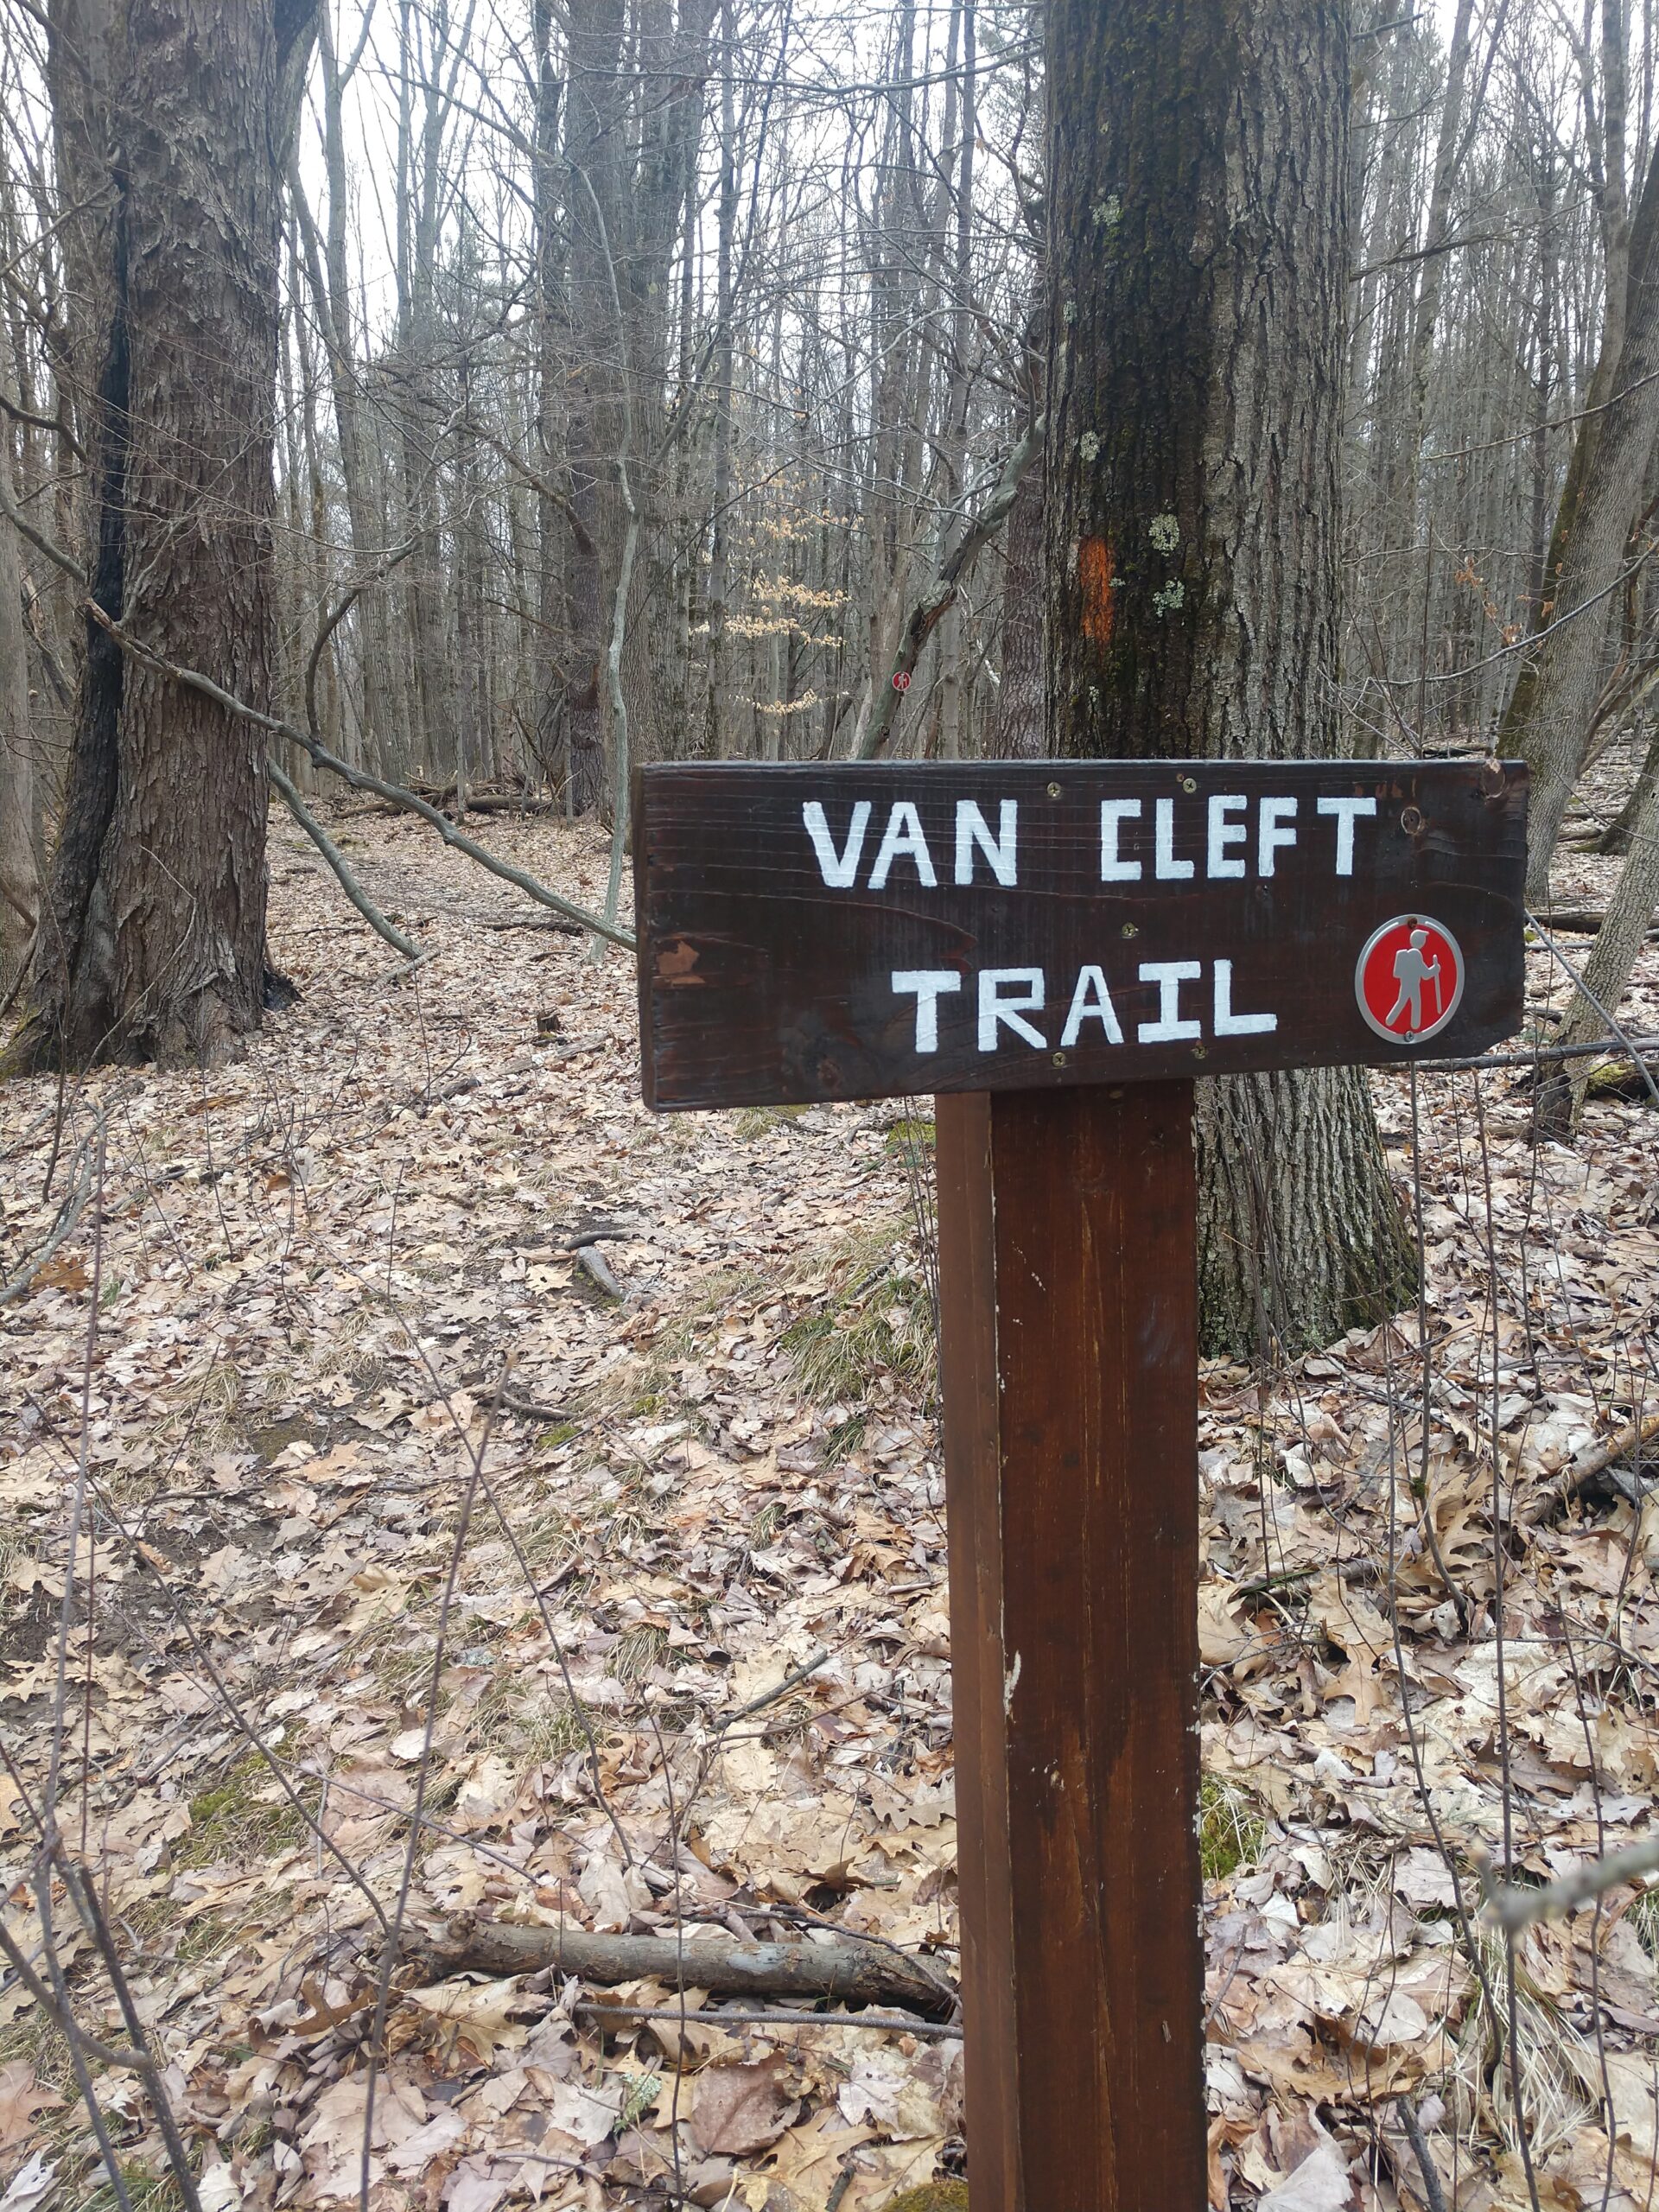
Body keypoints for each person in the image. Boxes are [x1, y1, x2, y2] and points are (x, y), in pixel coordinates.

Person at [1386, 926, 1441, 1034]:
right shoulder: (1416, 954)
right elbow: (1425, 974)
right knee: (1416, 1003)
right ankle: (1415, 1026)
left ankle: (1390, 1021)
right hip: (1414, 985)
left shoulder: (1405, 955)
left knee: (1402, 1002)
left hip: (1405, 984)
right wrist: (1435, 969)